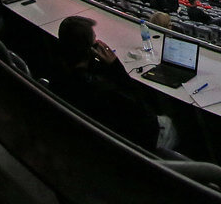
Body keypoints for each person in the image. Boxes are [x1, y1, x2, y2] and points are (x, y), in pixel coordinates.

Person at [51, 15, 173, 151]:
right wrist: (116, 67)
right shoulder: (104, 90)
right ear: (91, 50)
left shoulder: (59, 73)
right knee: (169, 122)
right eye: (95, 41)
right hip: (133, 143)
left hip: (90, 137)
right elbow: (142, 107)